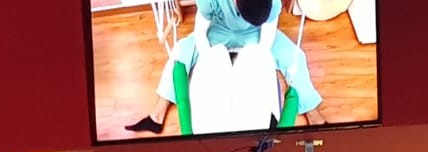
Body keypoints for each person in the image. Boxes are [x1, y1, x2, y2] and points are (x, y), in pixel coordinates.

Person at [124, 0, 326, 136]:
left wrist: (257, 59)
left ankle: (313, 114)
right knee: (180, 52)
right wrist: (209, 57)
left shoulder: (270, 3)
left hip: (256, 34)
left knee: (295, 57)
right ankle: (157, 115)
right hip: (218, 30)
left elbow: (267, 34)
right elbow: (200, 30)